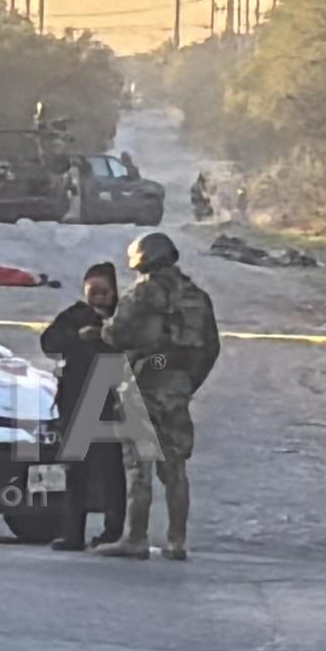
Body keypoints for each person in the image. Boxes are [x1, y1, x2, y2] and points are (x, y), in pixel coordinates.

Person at [91, 233, 219, 561]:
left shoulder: (144, 292)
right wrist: (186, 380)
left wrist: (98, 331)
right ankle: (176, 541)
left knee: (138, 465)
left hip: (144, 382)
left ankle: (135, 537)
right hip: (176, 385)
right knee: (174, 467)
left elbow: (116, 334)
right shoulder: (197, 297)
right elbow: (209, 348)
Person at [39, 262, 126, 551]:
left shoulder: (124, 317)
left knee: (112, 471)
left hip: (112, 403)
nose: (99, 298)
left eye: (104, 292)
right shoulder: (75, 316)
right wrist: (77, 337)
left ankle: (113, 532)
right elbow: (48, 342)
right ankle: (72, 532)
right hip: (76, 402)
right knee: (76, 470)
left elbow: (147, 353)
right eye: (93, 292)